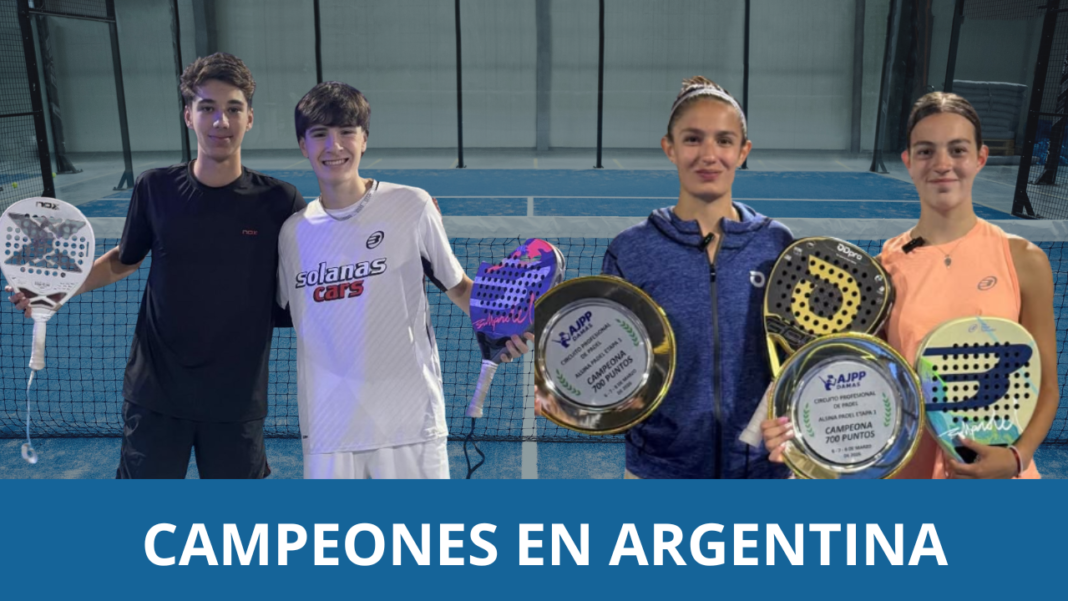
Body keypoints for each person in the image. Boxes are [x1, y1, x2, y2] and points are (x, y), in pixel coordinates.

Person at [7, 52, 305, 478]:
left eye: (233, 109)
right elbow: (122, 261)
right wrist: (57, 290)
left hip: (236, 399)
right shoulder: (155, 188)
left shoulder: (280, 201)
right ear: (189, 115)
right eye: (207, 108)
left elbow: (314, 274)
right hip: (156, 394)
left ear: (250, 118)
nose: (221, 121)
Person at [761, 92, 1058, 479]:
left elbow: (1047, 387)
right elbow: (858, 379)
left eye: (957, 150)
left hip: (1001, 478)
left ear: (980, 158)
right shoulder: (882, 271)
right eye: (925, 151)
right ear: (908, 162)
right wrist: (796, 429)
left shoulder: (1024, 261)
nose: (942, 164)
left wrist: (1016, 457)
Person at [538, 77, 793, 479]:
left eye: (724, 141)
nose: (709, 155)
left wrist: (793, 425)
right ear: (669, 148)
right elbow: (612, 361)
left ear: (743, 152)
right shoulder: (632, 251)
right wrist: (572, 395)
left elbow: (799, 362)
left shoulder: (778, 245)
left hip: (761, 473)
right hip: (657, 472)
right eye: (692, 139)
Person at [277, 81, 532, 479]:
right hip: (329, 431)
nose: (334, 146)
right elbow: (281, 313)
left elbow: (460, 286)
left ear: (364, 139)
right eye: (320, 134)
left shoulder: (410, 205)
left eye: (346, 132)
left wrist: (504, 325)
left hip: (408, 425)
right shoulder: (293, 233)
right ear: (302, 144)